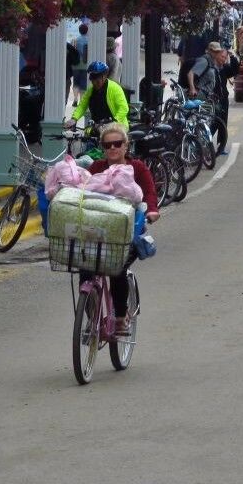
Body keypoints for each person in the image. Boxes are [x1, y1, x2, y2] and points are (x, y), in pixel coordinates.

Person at [87, 123, 158, 333]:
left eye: (117, 144)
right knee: (84, 266)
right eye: (107, 145)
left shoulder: (137, 168)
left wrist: (152, 210)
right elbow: (81, 189)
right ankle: (92, 314)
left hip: (128, 232)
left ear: (126, 146)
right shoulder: (97, 168)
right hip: (98, 231)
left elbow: (150, 193)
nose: (112, 149)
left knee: (116, 267)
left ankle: (120, 316)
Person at [69, 61, 129, 130]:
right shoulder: (90, 91)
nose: (94, 83)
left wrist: (114, 121)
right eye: (92, 80)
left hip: (117, 127)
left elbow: (124, 108)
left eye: (97, 81)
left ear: (104, 77)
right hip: (98, 127)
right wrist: (74, 119)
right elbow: (82, 106)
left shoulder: (115, 88)